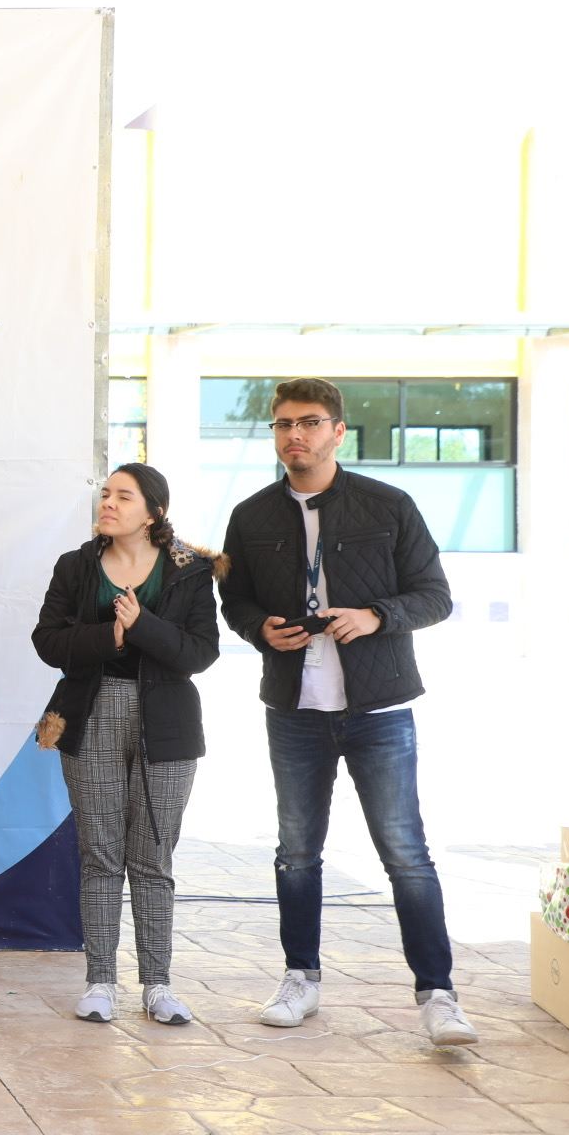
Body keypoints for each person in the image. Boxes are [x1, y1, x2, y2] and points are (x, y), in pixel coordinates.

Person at [218, 377, 476, 1046]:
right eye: (282, 425)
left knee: (405, 853)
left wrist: (375, 615)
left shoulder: (388, 505)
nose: (293, 436)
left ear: (337, 430)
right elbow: (236, 600)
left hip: (379, 707)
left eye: (307, 423)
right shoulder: (251, 515)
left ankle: (438, 994)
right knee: (297, 853)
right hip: (295, 707)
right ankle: (300, 977)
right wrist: (257, 629)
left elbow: (435, 596)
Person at [31, 463, 219, 1027]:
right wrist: (109, 635)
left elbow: (200, 653)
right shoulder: (77, 566)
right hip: (90, 715)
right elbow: (48, 640)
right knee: (100, 853)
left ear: (153, 511)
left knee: (153, 857)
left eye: (123, 496)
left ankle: (158, 985)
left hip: (168, 724)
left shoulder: (189, 569)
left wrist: (141, 625)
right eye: (105, 494)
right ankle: (100, 982)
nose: (108, 503)